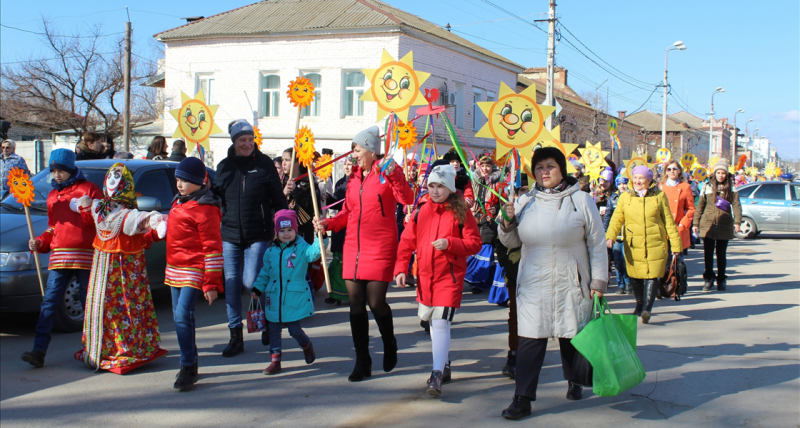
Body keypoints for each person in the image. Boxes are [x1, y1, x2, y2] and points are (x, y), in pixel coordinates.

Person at [497, 147, 608, 420]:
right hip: (533, 282)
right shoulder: (525, 202)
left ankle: (575, 379)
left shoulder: (581, 200)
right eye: (539, 168)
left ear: (561, 169)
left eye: (550, 166)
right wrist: (507, 222)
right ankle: (522, 398)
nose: (544, 172)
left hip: (571, 279)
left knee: (570, 333)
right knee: (530, 341)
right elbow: (511, 242)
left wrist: (599, 281)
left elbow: (596, 244)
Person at [313, 126, 414, 382]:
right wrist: (328, 224)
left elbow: (406, 197)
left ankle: (389, 342)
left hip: (380, 246)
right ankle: (362, 360)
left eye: (357, 149)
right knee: (355, 306)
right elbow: (348, 212)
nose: (353, 153)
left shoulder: (387, 172)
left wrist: (396, 175)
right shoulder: (354, 178)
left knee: (376, 303)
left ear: (370, 150)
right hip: (353, 248)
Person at [394, 164, 481, 396]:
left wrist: (450, 243)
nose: (434, 190)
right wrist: (401, 267)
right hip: (424, 276)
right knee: (433, 322)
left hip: (449, 277)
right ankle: (444, 364)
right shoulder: (421, 210)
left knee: (441, 323)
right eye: (431, 185)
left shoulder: (462, 210)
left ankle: (436, 374)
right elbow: (406, 240)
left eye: (440, 186)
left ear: (450, 188)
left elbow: (475, 243)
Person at [72, 163, 165, 371]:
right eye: (110, 178)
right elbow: (82, 206)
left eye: (117, 179)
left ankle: (125, 347)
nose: (112, 182)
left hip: (124, 268)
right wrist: (81, 203)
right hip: (103, 264)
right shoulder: (100, 208)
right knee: (104, 305)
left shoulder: (127, 214)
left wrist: (156, 221)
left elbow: (142, 219)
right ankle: (104, 347)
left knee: (125, 303)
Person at [211, 119, 288, 357]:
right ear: (234, 141)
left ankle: (264, 319)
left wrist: (285, 224)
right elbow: (214, 196)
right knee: (232, 285)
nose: (247, 144)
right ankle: (236, 334)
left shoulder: (264, 164)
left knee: (251, 282)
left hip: (258, 234)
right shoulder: (224, 167)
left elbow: (278, 198)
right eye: (242, 140)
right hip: (230, 234)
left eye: (250, 140)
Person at [21, 150, 102, 368]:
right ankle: (38, 350)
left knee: (89, 304)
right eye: (53, 171)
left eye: (61, 171)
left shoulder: (89, 189)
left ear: (71, 169)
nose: (57, 175)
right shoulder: (51, 196)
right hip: (59, 257)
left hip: (86, 255)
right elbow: (52, 227)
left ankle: (96, 350)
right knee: (49, 303)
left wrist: (86, 207)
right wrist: (39, 242)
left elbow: (100, 222)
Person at [156, 157, 223, 391]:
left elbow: (213, 248)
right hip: (174, 268)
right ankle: (191, 361)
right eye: (177, 179)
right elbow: (172, 234)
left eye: (185, 180)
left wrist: (212, 284)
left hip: (195, 268)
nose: (179, 184)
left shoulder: (206, 209)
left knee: (183, 314)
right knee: (179, 317)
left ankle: (186, 366)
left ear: (197, 181)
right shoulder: (178, 202)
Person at [605, 165, 682, 324]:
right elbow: (617, 219)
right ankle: (639, 303)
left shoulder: (659, 196)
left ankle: (647, 308)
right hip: (634, 244)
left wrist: (676, 245)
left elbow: (669, 221)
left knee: (652, 276)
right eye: (636, 178)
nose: (638, 181)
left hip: (656, 243)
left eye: (642, 178)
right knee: (636, 276)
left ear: (649, 180)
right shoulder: (625, 197)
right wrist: (610, 237)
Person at [251, 210, 321, 375]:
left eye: (289, 229)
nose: (286, 234)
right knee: (274, 330)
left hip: (293, 297)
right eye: (282, 231)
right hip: (274, 297)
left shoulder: (302, 247)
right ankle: (275, 361)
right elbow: (265, 272)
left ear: (295, 230)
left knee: (294, 330)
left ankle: (306, 344)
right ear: (276, 232)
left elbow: (314, 254)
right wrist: (257, 287)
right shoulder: (271, 251)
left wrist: (320, 237)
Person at [693, 159, 742, 292]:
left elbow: (736, 206)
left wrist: (737, 222)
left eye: (723, 173)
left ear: (727, 174)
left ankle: (721, 279)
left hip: (724, 224)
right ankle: (708, 279)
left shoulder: (731, 187)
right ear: (715, 173)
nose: (720, 175)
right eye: (718, 173)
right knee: (708, 254)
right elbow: (700, 206)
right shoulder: (707, 186)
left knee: (721, 254)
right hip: (708, 224)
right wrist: (695, 223)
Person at [464, 154, 501, 294]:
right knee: (478, 248)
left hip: (490, 220)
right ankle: (486, 280)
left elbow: (503, 202)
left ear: (492, 167)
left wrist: (495, 209)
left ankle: (476, 279)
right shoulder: (473, 181)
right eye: (483, 166)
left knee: (486, 247)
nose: (485, 169)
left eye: (488, 166)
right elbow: (467, 196)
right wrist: (469, 205)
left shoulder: (498, 182)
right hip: (474, 218)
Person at [324, 156, 353, 305]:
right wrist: (327, 198)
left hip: (350, 227)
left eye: (350, 164)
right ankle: (334, 292)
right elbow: (336, 204)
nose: (347, 167)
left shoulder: (357, 183)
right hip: (338, 226)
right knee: (336, 260)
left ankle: (346, 293)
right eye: (345, 164)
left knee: (345, 262)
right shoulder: (340, 182)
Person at [658, 160, 696, 256]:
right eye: (669, 169)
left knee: (677, 261)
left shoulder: (685, 187)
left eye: (675, 168)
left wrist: (683, 224)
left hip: (677, 227)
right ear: (666, 171)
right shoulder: (660, 186)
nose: (672, 171)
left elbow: (691, 208)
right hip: (662, 227)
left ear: (679, 171)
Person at [604, 175, 631, 294]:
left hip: (628, 235)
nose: (622, 186)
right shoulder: (613, 199)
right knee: (618, 261)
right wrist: (606, 233)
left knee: (627, 261)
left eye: (624, 183)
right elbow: (608, 217)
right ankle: (620, 284)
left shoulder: (631, 197)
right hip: (617, 235)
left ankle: (628, 283)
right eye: (620, 184)